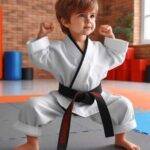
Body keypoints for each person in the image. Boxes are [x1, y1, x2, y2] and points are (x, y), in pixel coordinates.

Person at [14, 0, 140, 150]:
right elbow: (39, 56)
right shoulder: (57, 48)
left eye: (92, 16)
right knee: (32, 106)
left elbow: (116, 56)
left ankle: (121, 139)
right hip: (64, 98)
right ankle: (32, 143)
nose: (88, 21)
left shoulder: (99, 48)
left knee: (123, 104)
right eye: (82, 16)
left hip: (95, 98)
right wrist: (41, 36)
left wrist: (111, 37)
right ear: (66, 21)